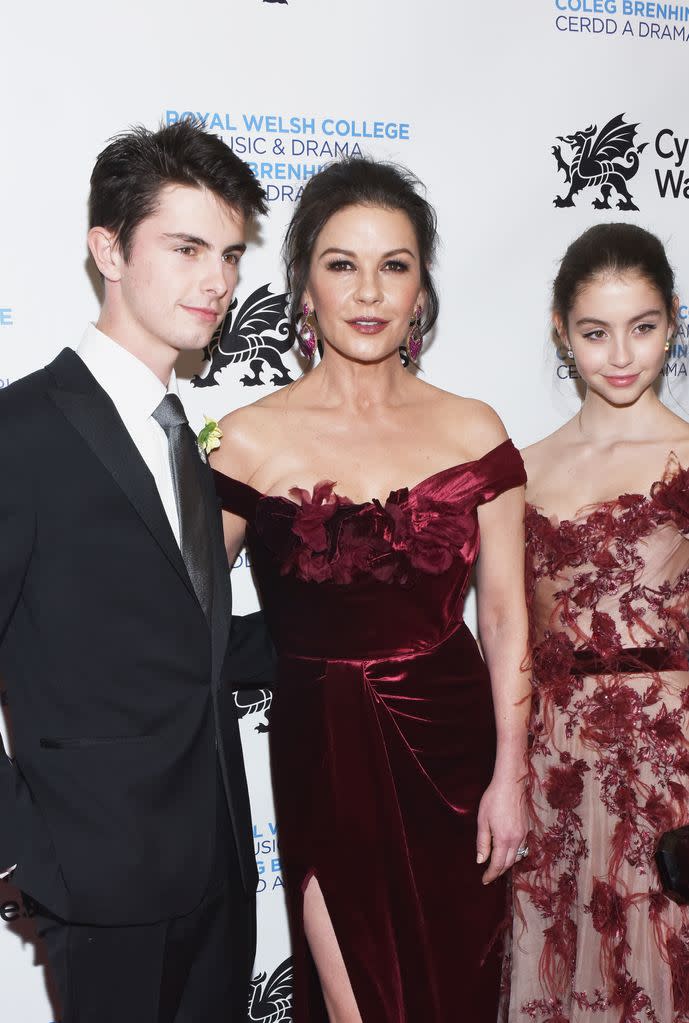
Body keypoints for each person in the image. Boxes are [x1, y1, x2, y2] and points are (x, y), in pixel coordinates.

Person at [210, 157, 530, 1023]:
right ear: (303, 288)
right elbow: (177, 614)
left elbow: (503, 619)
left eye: (394, 264)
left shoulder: (473, 427)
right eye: (341, 263)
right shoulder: (248, 439)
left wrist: (511, 773)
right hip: (323, 755)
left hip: (457, 759)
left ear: (420, 290)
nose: (369, 290)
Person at [0, 120, 275, 1023]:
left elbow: (180, 641)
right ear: (108, 249)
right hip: (96, 878)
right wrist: (17, 850)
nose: (218, 281)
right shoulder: (22, 431)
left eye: (230, 254)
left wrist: (361, 625)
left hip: (221, 869)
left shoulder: (187, 437)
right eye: (187, 247)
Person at [506, 223, 689, 1022]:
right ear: (560, 329)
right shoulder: (518, 467)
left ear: (672, 322)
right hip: (555, 763)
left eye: (642, 327)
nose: (620, 354)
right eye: (594, 331)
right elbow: (508, 634)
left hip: (669, 764)